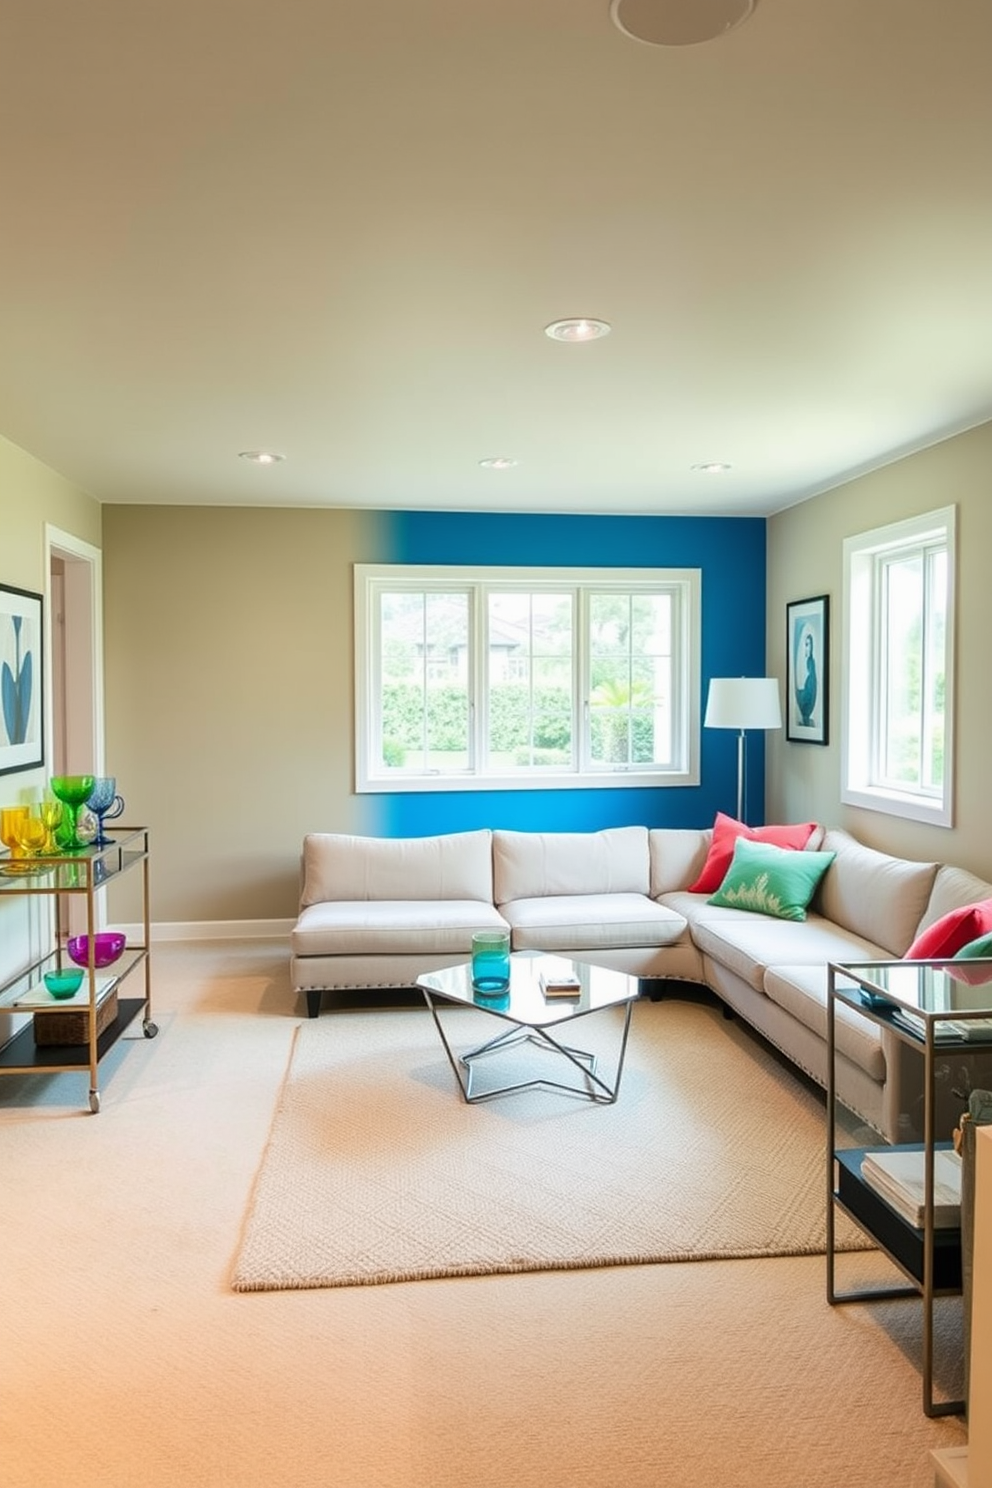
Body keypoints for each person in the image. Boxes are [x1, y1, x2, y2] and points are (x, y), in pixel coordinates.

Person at [796, 630, 817, 727]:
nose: (807, 648)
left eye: (808, 644)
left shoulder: (811, 666)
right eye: (806, 644)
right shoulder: (804, 665)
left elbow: (809, 693)